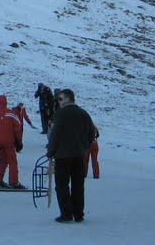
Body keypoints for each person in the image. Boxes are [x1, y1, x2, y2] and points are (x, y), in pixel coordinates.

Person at [46, 88, 95, 223]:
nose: (59, 102)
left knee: (62, 185)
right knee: (78, 185)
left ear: (67, 98)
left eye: (60, 99)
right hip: (79, 155)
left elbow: (54, 135)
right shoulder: (83, 113)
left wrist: (50, 151)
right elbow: (92, 132)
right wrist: (84, 146)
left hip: (62, 155)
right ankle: (79, 214)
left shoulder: (60, 114)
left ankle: (66, 213)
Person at [0, 94, 24, 189]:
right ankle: (13, 182)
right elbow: (18, 129)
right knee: (12, 161)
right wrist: (19, 141)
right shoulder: (11, 113)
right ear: (6, 102)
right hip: (9, 142)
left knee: (2, 161)